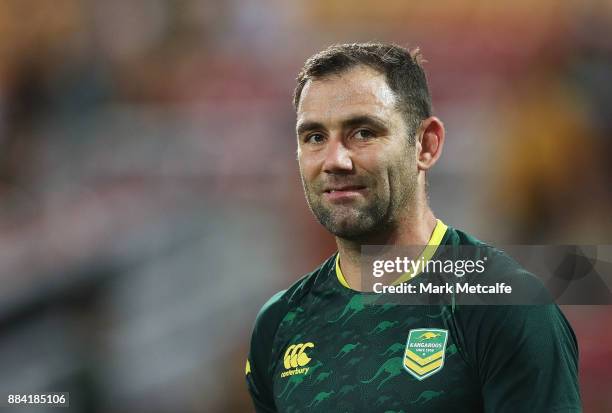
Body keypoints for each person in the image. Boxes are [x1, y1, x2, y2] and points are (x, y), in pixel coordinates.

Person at [245, 43, 581, 412]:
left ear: (426, 144)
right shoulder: (279, 323)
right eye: (314, 137)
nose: (334, 160)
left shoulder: (502, 305)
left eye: (363, 133)